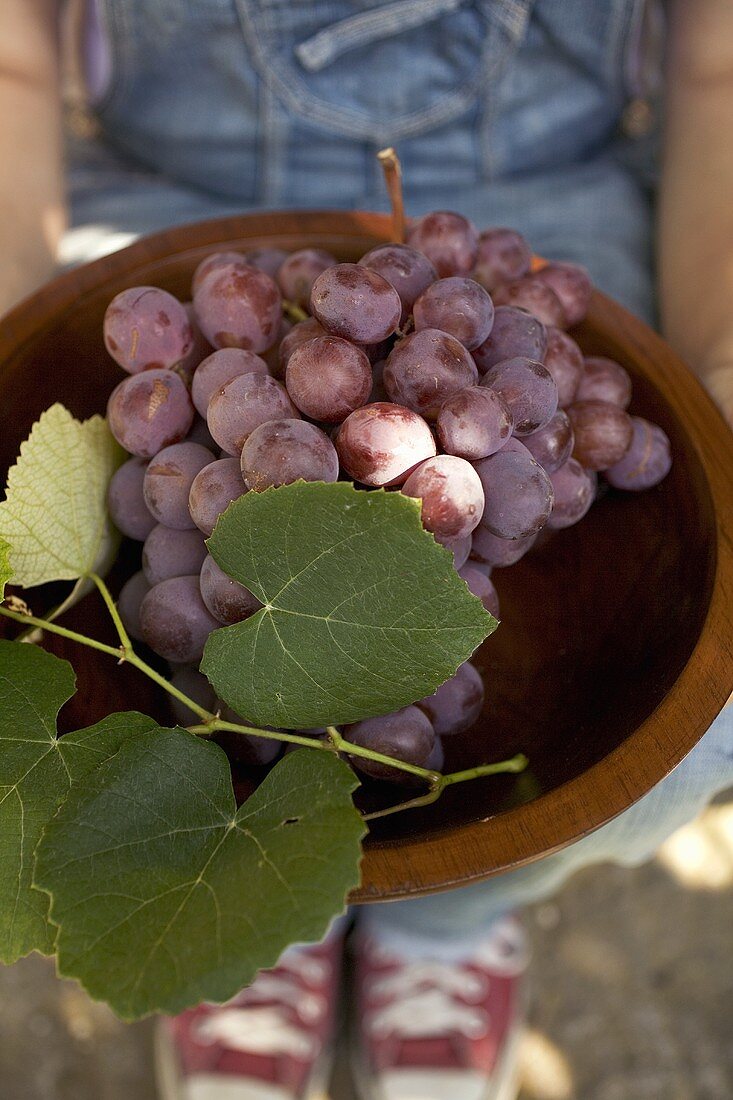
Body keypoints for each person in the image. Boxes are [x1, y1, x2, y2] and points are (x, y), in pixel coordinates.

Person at [2, 2, 732, 1098]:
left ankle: (451, 913)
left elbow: (718, 68)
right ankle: (261, 905)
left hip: (559, 201)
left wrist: (722, 357)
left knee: (709, 724)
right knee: (170, 639)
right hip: (171, 203)